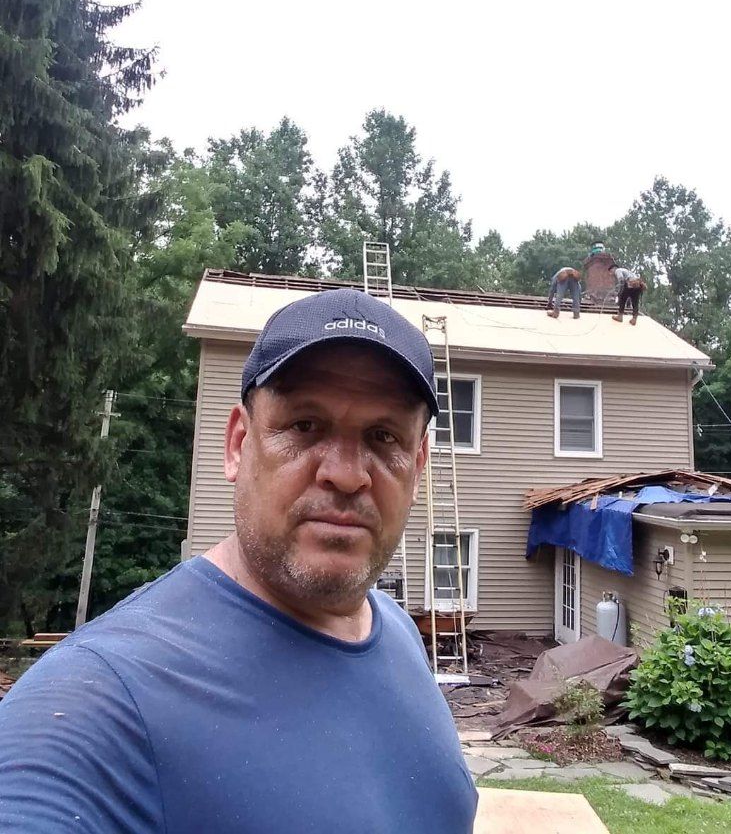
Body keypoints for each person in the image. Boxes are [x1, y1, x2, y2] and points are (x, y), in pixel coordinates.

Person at [0, 289, 478, 833]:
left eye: (383, 435)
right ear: (237, 445)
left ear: (417, 466)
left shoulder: (395, 631)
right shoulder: (103, 698)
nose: (347, 474)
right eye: (305, 426)